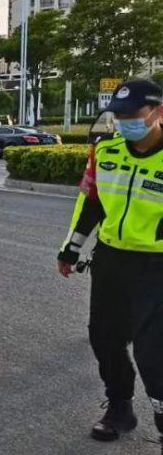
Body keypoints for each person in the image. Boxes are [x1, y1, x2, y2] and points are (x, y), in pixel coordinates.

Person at [57, 78, 163, 445]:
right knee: (104, 339)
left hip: (157, 266)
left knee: (153, 353)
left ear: (158, 111)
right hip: (112, 260)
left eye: (133, 114)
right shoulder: (106, 152)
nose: (124, 121)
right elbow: (91, 203)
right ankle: (120, 408)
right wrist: (71, 249)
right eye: (119, 115)